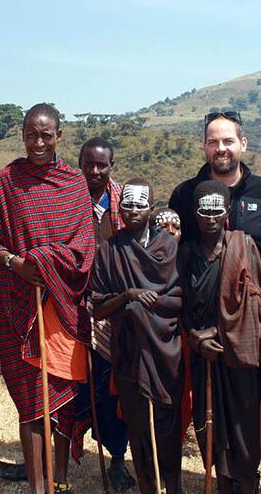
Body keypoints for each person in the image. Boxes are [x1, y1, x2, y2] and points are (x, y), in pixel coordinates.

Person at [169, 110, 261, 494]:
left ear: (243, 143)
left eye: (228, 141)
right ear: (204, 146)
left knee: (259, 398)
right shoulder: (186, 194)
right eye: (213, 141)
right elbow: (170, 250)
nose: (221, 148)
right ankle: (225, 473)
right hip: (200, 323)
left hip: (253, 320)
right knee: (205, 400)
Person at [0, 103, 96, 494]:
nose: (38, 142)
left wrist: (43, 260)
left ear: (59, 135)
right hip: (18, 303)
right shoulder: (7, 181)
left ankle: (59, 479)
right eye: (30, 134)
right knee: (29, 400)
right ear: (22, 135)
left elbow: (85, 245)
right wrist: (16, 263)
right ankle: (38, 486)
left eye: (45, 135)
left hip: (62, 306)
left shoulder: (74, 183)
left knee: (60, 396)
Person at [179, 180, 261, 494]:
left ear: (227, 212)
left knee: (243, 432)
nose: (211, 218)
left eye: (217, 211)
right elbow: (181, 303)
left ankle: (248, 485)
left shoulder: (244, 247)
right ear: (195, 214)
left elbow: (255, 306)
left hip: (239, 356)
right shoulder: (187, 253)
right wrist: (196, 338)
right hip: (204, 356)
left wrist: (216, 333)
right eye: (204, 211)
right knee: (212, 432)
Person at [90, 179, 184, 494]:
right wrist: (127, 296)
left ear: (150, 208)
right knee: (138, 425)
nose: (132, 211)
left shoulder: (169, 248)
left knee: (167, 425)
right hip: (128, 351)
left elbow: (180, 299)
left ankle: (173, 485)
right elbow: (98, 308)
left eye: (139, 205)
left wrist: (150, 305)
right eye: (127, 205)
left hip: (165, 349)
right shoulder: (109, 250)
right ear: (119, 208)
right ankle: (147, 484)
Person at [75, 137, 136, 491]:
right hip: (72, 304)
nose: (95, 171)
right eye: (89, 164)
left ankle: (117, 458)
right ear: (80, 164)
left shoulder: (125, 203)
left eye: (102, 165)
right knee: (75, 380)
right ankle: (59, 454)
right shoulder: (67, 199)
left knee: (113, 384)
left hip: (114, 309)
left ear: (112, 166)